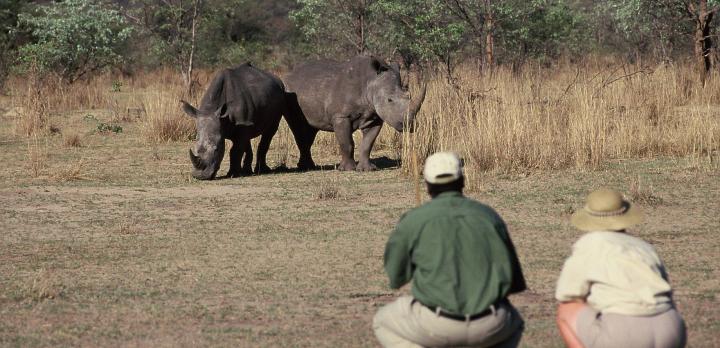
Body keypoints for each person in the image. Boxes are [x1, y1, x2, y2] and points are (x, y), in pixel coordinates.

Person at [373, 151, 527, 348]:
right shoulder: (488, 216)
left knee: (383, 321)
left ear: (427, 186)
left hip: (435, 322)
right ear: (462, 180)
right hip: (489, 323)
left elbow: (396, 278)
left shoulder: (414, 219)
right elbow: (514, 283)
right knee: (515, 322)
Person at [555, 188, 687, 348]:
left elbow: (567, 294)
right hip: (670, 327)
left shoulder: (589, 244)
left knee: (566, 309)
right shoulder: (644, 247)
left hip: (622, 332)